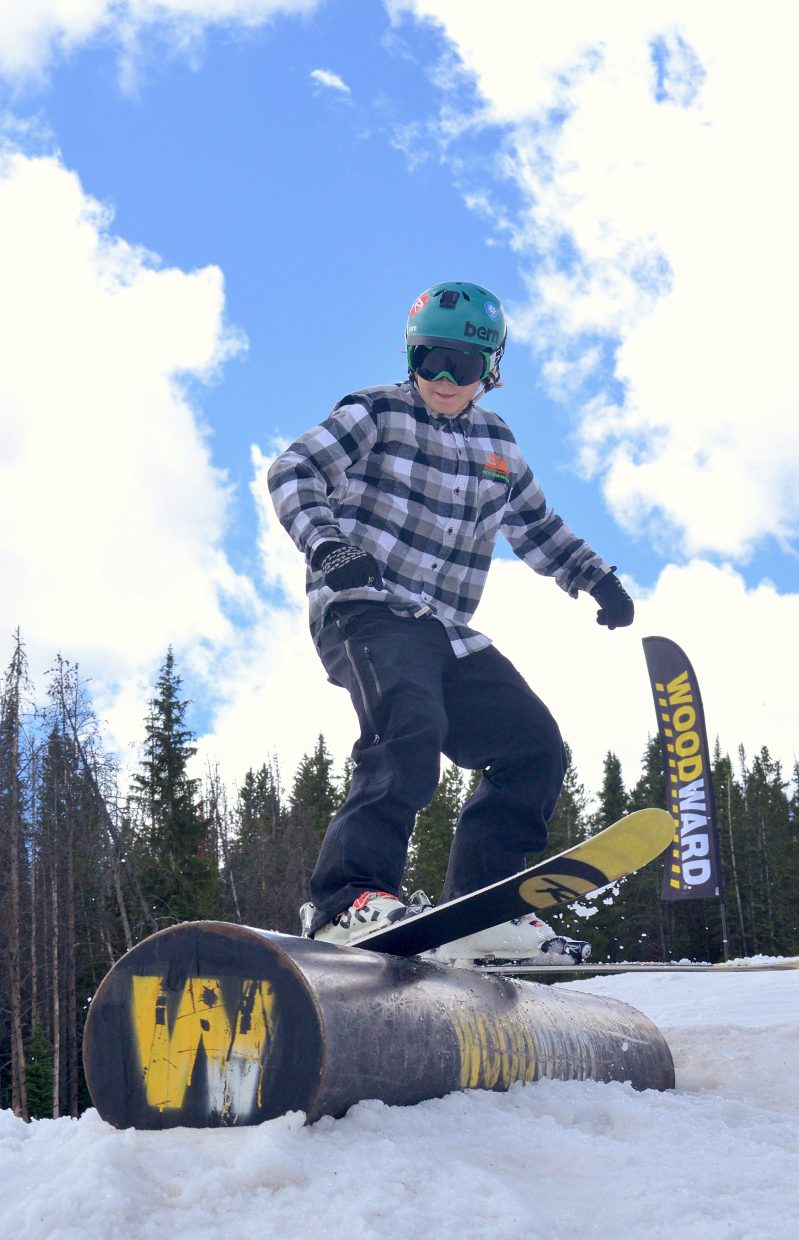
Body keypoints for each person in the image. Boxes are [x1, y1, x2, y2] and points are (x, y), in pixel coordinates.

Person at [267, 280, 634, 964]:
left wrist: (596, 579)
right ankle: (347, 898)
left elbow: (539, 529)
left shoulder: (498, 445)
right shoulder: (374, 412)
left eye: (459, 366)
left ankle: (482, 913)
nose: (440, 378)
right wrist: (327, 543)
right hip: (368, 609)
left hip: (447, 632)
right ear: (410, 357)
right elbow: (293, 471)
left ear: (488, 371)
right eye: (428, 360)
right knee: (410, 723)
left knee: (533, 746)